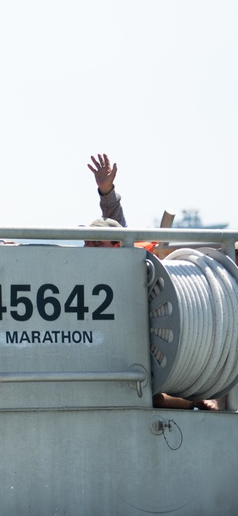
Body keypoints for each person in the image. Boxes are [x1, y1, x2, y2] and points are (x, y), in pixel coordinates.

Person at [83, 153, 218, 410]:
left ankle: (195, 402)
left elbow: (117, 227)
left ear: (115, 246)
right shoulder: (76, 270)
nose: (89, 246)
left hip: (139, 346)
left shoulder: (131, 263)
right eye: (87, 240)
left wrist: (107, 191)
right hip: (103, 350)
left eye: (95, 241)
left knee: (151, 394)